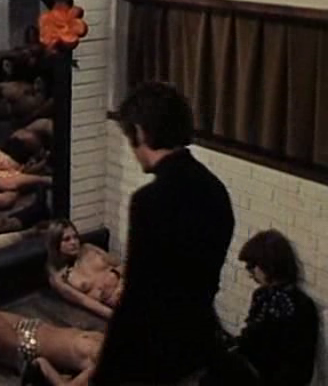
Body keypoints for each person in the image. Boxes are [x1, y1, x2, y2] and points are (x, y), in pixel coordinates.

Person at [93, 81, 235, 385]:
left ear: (140, 132)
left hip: (155, 354)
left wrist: (104, 373)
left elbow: (138, 297)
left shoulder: (150, 201)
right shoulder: (216, 190)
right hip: (199, 340)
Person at [232, 229, 319, 386]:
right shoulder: (264, 295)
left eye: (252, 267)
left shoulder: (296, 305)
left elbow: (295, 363)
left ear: (267, 265)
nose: (250, 274)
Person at [45, 219, 123, 319]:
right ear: (55, 244)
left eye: (75, 237)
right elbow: (85, 302)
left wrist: (114, 273)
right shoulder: (59, 277)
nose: (73, 242)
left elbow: (120, 264)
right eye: (67, 239)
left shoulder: (88, 248)